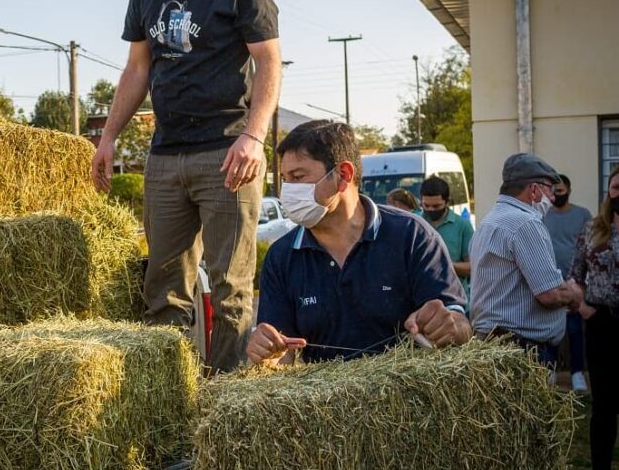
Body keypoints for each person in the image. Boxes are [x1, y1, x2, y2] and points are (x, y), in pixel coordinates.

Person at [90, 0, 281, 372]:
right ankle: (171, 398)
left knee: (230, 286)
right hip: (166, 154)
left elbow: (269, 63)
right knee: (164, 289)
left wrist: (254, 136)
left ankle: (228, 401)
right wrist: (108, 137)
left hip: (227, 151)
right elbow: (138, 68)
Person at [246, 120, 471, 366]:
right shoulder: (281, 257)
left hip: (406, 396)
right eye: (284, 179)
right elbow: (282, 352)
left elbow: (460, 325)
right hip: (325, 401)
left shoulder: (412, 236)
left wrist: (448, 326)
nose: (287, 191)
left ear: (343, 175)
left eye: (298, 177)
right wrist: (268, 353)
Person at [469, 153, 582, 364]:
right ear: (533, 190)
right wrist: (573, 294)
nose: (553, 198)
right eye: (549, 189)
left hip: (496, 343)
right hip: (522, 350)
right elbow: (549, 294)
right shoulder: (525, 223)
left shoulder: (489, 220)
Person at [571, 165, 619, 470]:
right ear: (609, 190)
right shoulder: (593, 229)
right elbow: (576, 275)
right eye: (616, 185)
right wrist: (583, 307)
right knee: (604, 404)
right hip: (601, 323)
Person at [543, 174, 593, 392]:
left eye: (560, 192)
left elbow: (590, 246)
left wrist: (580, 282)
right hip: (550, 282)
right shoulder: (543, 215)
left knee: (574, 331)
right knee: (551, 329)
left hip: (574, 282)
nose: (556, 196)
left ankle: (577, 373)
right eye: (553, 192)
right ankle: (550, 370)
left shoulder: (582, 215)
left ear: (569, 191)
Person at [420, 175, 474, 296]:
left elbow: (473, 267)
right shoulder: (415, 222)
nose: (431, 210)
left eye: (436, 206)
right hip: (420, 299)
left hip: (453, 299)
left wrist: (442, 263)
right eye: (426, 206)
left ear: (447, 202)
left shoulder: (462, 226)